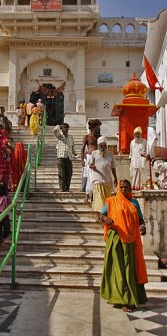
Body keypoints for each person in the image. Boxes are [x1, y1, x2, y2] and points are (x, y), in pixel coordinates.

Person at [100, 179, 148, 312]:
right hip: (116, 239)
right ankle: (124, 300)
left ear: (130, 189)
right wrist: (106, 219)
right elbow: (100, 215)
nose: (123, 190)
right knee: (119, 270)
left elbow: (140, 219)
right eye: (121, 187)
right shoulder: (112, 201)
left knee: (130, 269)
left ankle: (134, 297)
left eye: (126, 188)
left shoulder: (134, 203)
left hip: (131, 241)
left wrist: (142, 226)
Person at [89, 136, 117, 220]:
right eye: (101, 145)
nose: (102, 146)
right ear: (98, 145)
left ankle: (103, 216)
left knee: (106, 200)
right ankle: (100, 216)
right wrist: (92, 166)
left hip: (107, 180)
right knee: (98, 199)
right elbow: (90, 164)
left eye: (104, 144)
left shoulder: (110, 154)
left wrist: (115, 177)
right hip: (97, 180)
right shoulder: (94, 153)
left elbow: (113, 167)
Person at [54, 123, 78, 192]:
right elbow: (55, 131)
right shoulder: (60, 136)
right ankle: (62, 188)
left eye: (67, 128)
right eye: (64, 128)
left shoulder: (71, 137)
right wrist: (59, 126)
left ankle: (67, 188)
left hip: (69, 157)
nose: (66, 129)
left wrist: (75, 153)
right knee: (62, 173)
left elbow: (73, 145)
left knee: (69, 173)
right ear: (62, 129)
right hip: (61, 157)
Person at [81, 119, 102, 194]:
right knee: (86, 174)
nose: (98, 129)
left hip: (99, 158)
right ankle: (84, 190)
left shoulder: (100, 137)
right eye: (97, 127)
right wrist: (82, 160)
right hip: (89, 158)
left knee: (96, 175)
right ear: (92, 128)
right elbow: (82, 149)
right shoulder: (87, 137)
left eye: (99, 127)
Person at [0, 182, 12, 256]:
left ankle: (1, 243)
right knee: (0, 231)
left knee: (3, 230)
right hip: (1, 214)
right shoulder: (5, 197)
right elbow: (10, 205)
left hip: (0, 215)